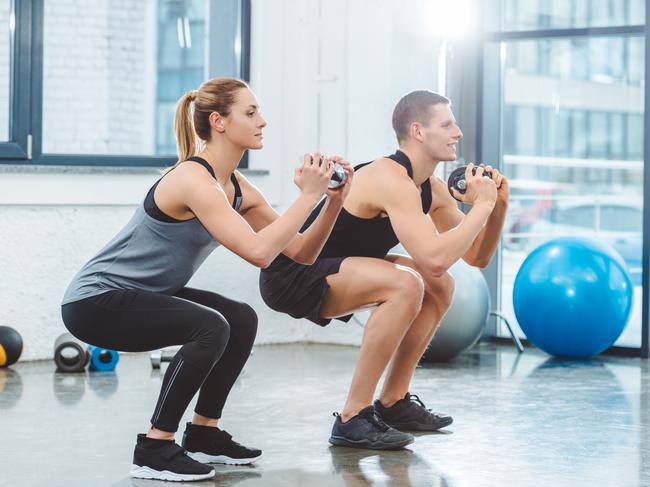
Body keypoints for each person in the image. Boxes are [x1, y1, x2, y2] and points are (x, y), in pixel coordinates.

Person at [61, 77, 353, 481]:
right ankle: (155, 446)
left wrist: (332, 201)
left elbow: (301, 252)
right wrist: (307, 195)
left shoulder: (236, 186)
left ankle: (204, 433)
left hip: (144, 293)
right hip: (96, 301)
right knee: (210, 325)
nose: (262, 121)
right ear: (218, 121)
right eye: (250, 113)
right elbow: (259, 252)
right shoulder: (191, 179)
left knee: (240, 319)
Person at [260, 90, 508, 450]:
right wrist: (481, 207)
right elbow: (434, 256)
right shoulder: (389, 178)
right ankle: (352, 418)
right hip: (294, 274)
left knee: (439, 285)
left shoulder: (430, 188)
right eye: (448, 124)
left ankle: (394, 402)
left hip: (341, 267)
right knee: (406, 285)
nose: (458, 132)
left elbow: (476, 257)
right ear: (418, 131)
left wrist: (498, 204)